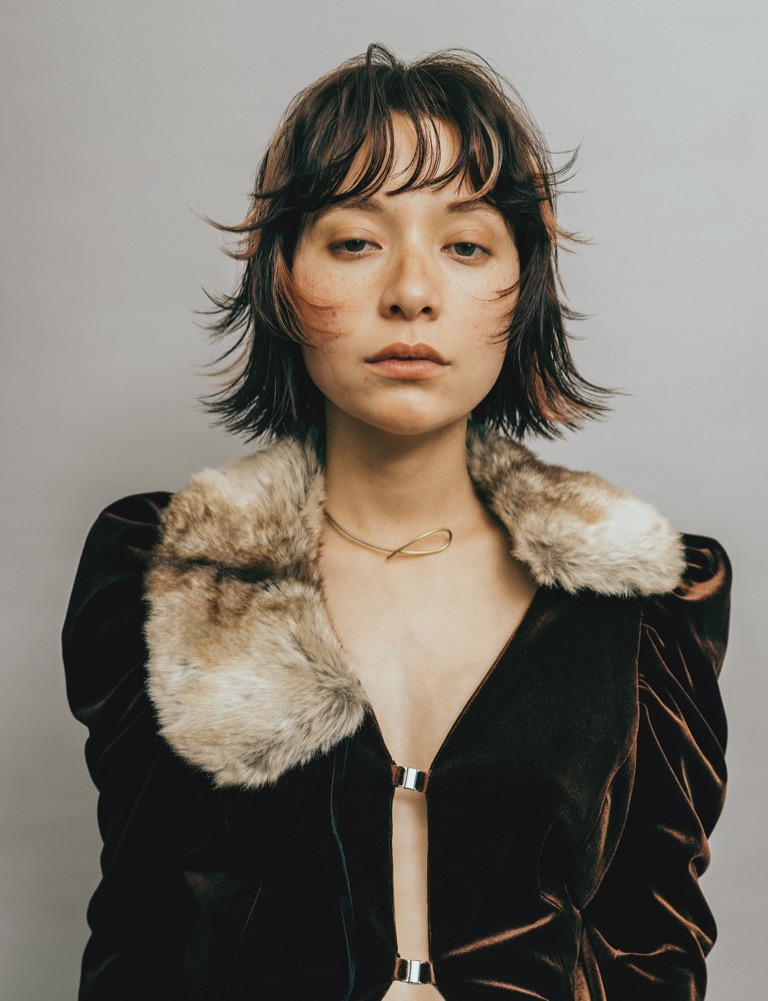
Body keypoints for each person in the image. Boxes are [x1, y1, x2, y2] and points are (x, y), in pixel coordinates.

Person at [62, 43, 731, 1001]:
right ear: (282, 279)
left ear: (523, 290)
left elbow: (656, 953)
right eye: (354, 242)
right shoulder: (179, 574)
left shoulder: (639, 600)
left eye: (466, 246)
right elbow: (137, 942)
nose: (411, 292)